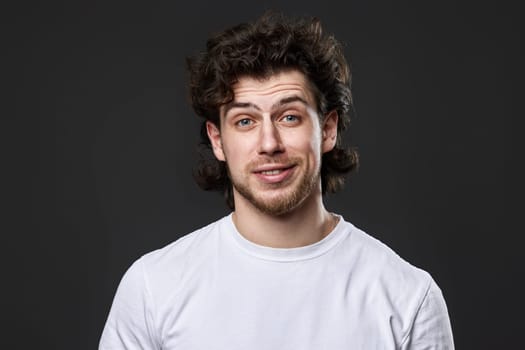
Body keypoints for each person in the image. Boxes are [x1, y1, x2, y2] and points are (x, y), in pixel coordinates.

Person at [99, 12, 454, 349]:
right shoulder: (153, 287)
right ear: (218, 140)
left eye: (289, 117)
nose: (269, 144)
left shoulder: (409, 299)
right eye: (245, 121)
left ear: (327, 129)